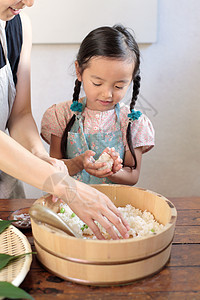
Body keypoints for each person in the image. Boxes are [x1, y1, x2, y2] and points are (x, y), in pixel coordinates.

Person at [0, 1, 130, 240]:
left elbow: (19, 115)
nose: (29, 2)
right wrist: (67, 188)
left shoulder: (18, 25)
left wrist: (41, 158)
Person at [41, 25, 155, 186]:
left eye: (118, 86)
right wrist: (79, 163)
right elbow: (54, 169)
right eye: (97, 83)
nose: (107, 94)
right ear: (79, 71)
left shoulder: (131, 122)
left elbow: (133, 175)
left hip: (112, 205)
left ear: (131, 80)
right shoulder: (61, 115)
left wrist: (114, 171)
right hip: (68, 205)